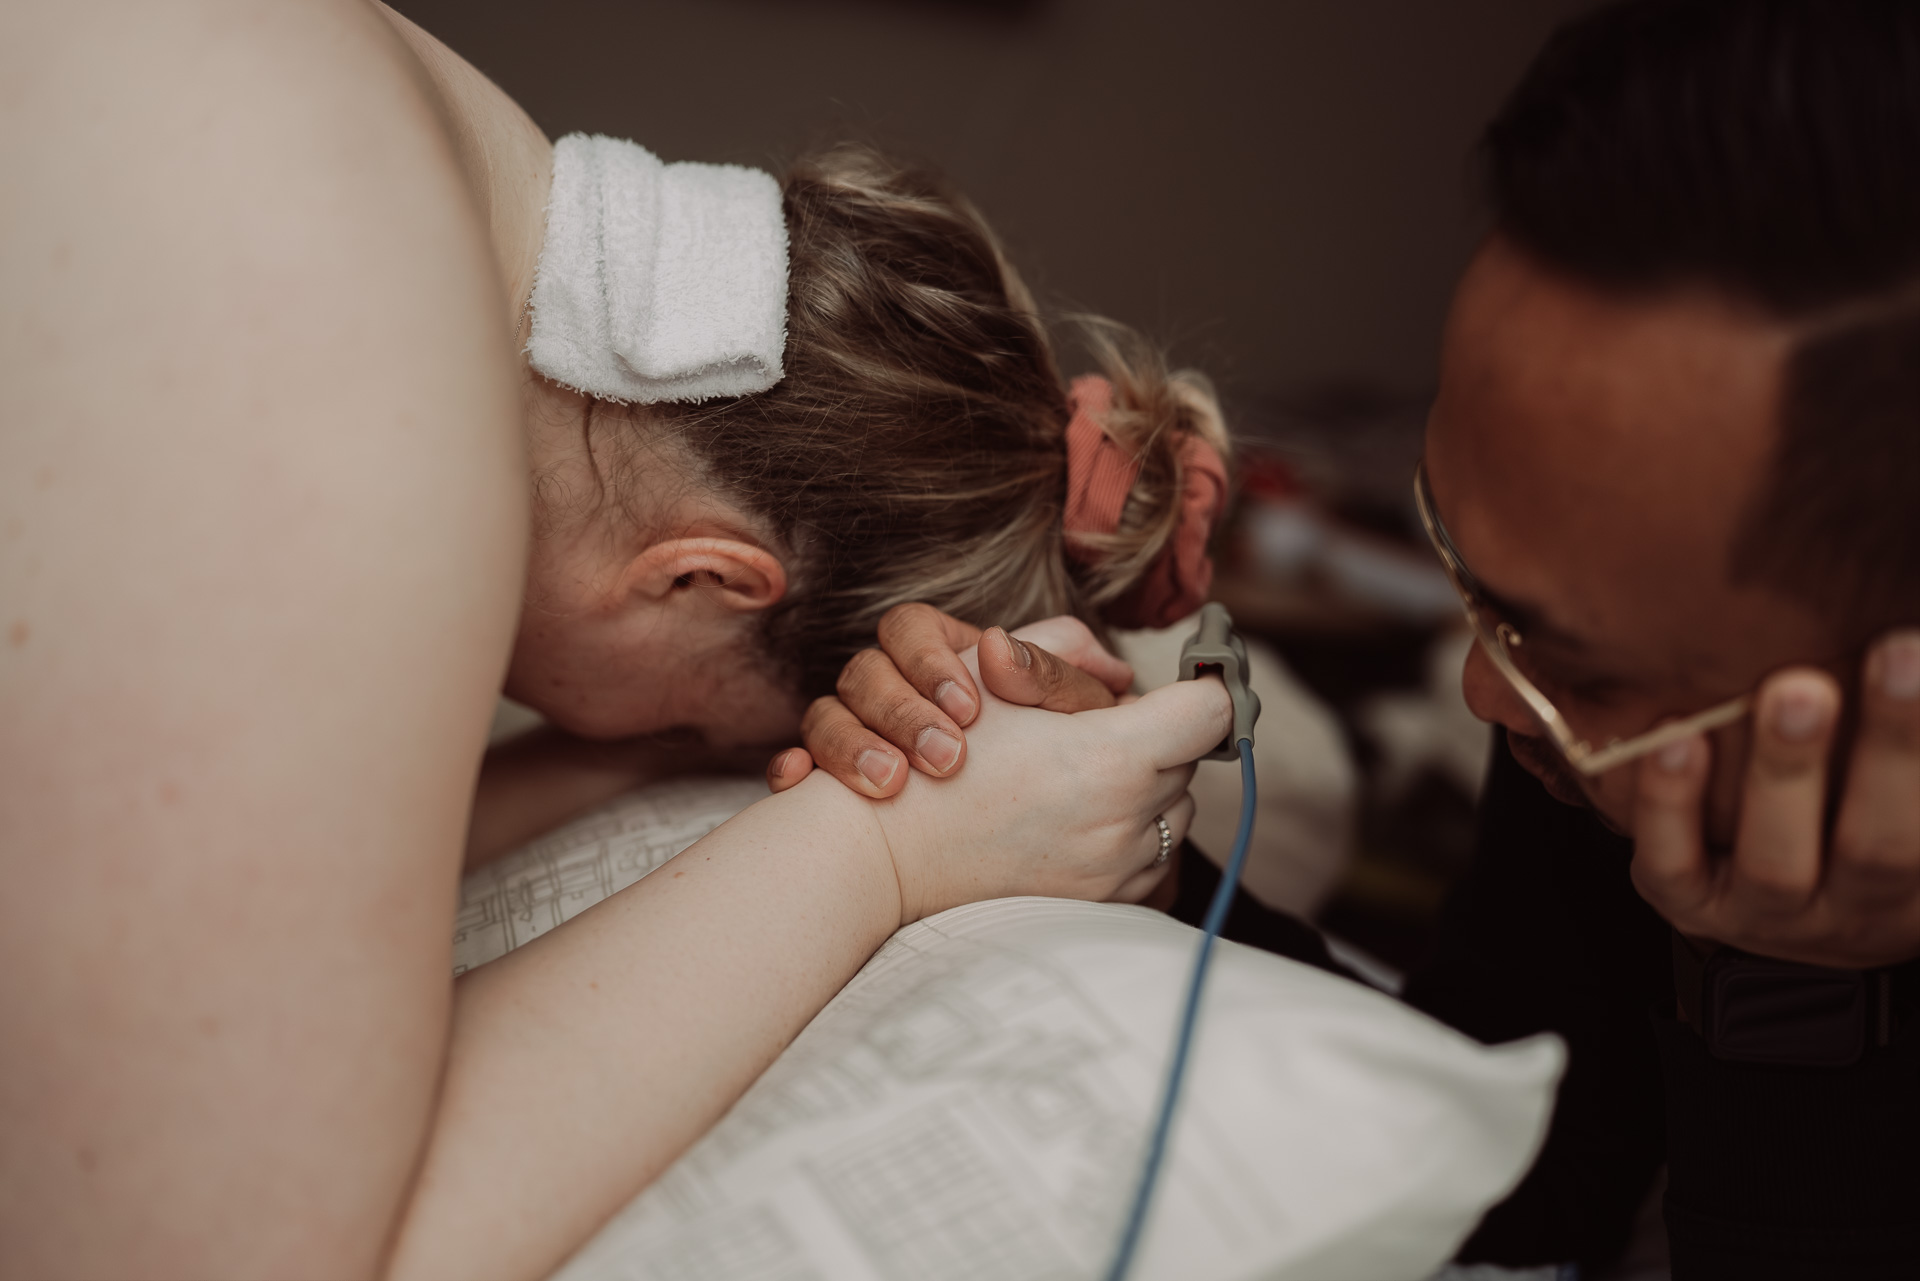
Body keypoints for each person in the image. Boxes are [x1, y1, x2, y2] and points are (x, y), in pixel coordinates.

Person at [0, 4, 1237, 1277]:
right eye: (686, 731)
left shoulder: (427, 154)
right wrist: (882, 843)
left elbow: (241, 856)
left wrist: (645, 760)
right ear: (704, 576)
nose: (640, 743)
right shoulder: (382, 390)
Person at [791, 2, 1920, 1277]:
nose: (1486, 687)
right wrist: (1144, 867)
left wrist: (1797, 999)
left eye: (1581, 668)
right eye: (1458, 555)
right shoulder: (1573, 705)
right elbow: (1513, 1157)